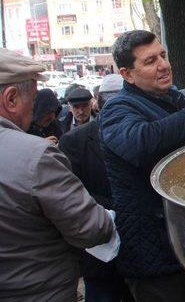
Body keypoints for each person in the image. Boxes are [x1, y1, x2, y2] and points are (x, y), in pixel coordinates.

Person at [99, 30, 185, 302]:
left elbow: (177, 153)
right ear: (127, 74)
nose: (163, 65)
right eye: (149, 61)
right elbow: (140, 142)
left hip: (183, 238)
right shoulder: (117, 109)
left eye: (163, 55)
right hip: (151, 251)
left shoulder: (173, 99)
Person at [0, 49, 115, 301]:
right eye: (31, 104)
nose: (32, 113)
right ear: (11, 99)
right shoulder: (37, 156)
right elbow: (93, 229)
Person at [58, 74, 133, 302]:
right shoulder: (74, 141)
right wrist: (121, 207)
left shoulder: (141, 133)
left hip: (138, 248)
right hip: (99, 247)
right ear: (98, 102)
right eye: (107, 99)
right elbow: (74, 193)